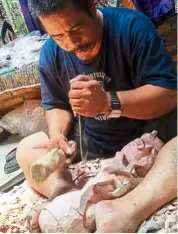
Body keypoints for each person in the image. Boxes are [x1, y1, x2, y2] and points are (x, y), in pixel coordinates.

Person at [16, 0, 177, 232]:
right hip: (92, 142)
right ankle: (64, 194)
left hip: (149, 134)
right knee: (27, 147)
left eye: (75, 29)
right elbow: (56, 104)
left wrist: (107, 103)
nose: (71, 44)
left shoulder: (132, 27)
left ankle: (125, 211)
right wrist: (57, 135)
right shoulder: (51, 53)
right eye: (58, 36)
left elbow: (169, 94)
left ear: (92, 5)